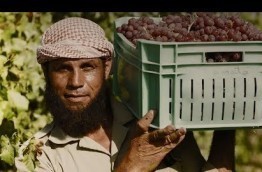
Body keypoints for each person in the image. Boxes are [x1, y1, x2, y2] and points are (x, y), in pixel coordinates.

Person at [15, 17, 235, 172]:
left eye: (88, 67)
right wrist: (131, 167)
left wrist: (228, 123)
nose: (76, 82)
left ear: (107, 68)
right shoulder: (37, 156)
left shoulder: (156, 119)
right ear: (46, 73)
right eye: (62, 68)